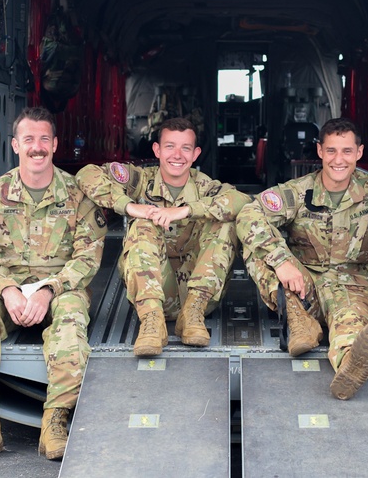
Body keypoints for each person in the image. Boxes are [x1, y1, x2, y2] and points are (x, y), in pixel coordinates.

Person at [0, 106, 105, 462]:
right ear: (15, 145)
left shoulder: (78, 196)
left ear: (55, 145)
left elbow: (89, 256)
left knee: (70, 322)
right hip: (7, 286)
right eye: (29, 139)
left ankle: (55, 422)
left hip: (60, 285)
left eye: (44, 139)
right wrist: (6, 289)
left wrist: (50, 289)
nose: (37, 147)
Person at [236, 118, 368, 400]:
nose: (339, 159)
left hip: (353, 284)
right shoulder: (300, 191)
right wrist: (282, 261)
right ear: (320, 152)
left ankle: (349, 367)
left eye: (347, 151)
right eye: (332, 151)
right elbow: (248, 214)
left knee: (350, 323)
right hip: (302, 285)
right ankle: (298, 319)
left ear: (359, 153)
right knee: (256, 247)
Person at [76, 117, 249, 356]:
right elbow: (87, 174)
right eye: (170, 146)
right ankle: (152, 322)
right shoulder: (141, 181)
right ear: (157, 150)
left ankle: (192, 314)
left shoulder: (205, 187)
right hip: (154, 293)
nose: (177, 155)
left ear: (196, 153)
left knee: (224, 221)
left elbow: (241, 200)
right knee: (142, 225)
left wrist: (187, 209)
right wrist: (128, 206)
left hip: (199, 296)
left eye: (185, 148)